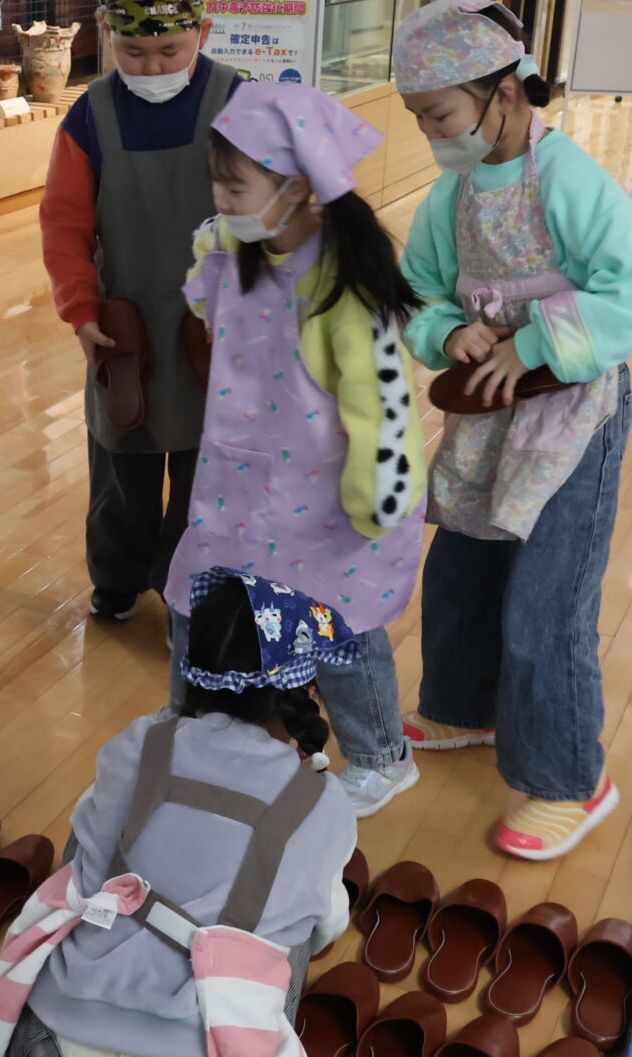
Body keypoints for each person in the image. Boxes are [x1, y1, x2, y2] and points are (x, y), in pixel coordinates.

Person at [390, 0, 632, 861]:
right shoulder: (450, 196)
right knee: (464, 571)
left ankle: (568, 779)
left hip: (572, 417)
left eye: (440, 116)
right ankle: (460, 707)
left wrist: (538, 338)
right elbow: (415, 294)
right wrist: (449, 332)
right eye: (420, 120)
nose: (432, 135)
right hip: (491, 415)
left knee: (546, 599)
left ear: (505, 96)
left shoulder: (571, 180)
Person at [162, 81, 427, 818]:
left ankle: (381, 756)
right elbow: (203, 298)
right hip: (238, 480)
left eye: (234, 184)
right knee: (198, 599)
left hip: (325, 501)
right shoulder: (239, 250)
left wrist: (380, 495)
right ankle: (192, 721)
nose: (220, 197)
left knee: (338, 629)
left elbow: (381, 405)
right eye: (217, 180)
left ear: (298, 188)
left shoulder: (345, 287)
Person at [0, 568, 357, 1057]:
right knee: (296, 932)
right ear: (300, 690)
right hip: (202, 1045)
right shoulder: (321, 801)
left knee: (92, 833)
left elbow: (89, 837)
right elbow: (325, 925)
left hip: (51, 1032)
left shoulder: (142, 743)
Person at [41, 0, 239, 624]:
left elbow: (281, 212)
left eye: (169, 52)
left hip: (217, 322)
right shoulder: (89, 115)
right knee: (120, 454)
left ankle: (186, 587)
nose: (151, 68)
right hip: (120, 318)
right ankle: (117, 577)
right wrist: (80, 308)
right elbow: (63, 224)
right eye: (133, 53)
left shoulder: (239, 101)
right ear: (105, 32)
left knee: (202, 464)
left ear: (203, 34)